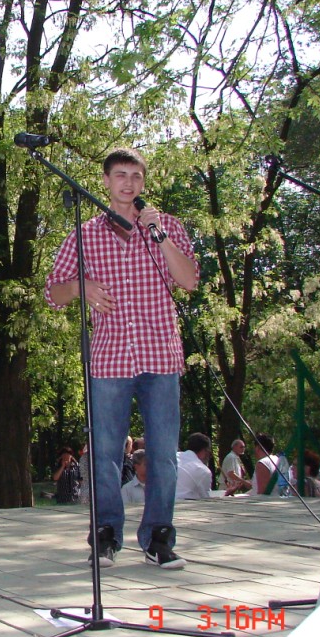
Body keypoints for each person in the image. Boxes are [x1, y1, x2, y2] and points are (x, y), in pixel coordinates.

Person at [45, 147, 199, 570]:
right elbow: (52, 292)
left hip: (160, 357)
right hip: (110, 359)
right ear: (106, 181)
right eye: (120, 175)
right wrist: (80, 286)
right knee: (105, 455)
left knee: (163, 455)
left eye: (135, 176)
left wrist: (160, 235)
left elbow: (189, 281)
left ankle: (158, 539)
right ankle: (106, 536)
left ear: (143, 182)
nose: (128, 183)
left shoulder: (166, 226)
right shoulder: (85, 234)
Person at [175, 433, 213, 499]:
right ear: (205, 451)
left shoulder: (174, 457)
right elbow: (206, 498)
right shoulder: (203, 470)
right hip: (184, 504)